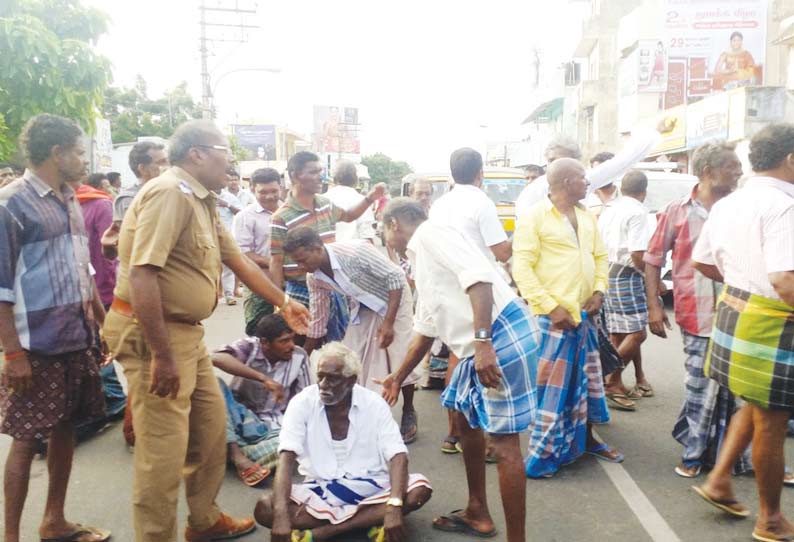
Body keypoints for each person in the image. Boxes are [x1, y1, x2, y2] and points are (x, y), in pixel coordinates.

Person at [102, 119, 309, 542]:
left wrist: (284, 302)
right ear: (197, 153)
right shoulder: (169, 194)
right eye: (224, 154)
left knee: (213, 429)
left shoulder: (202, 199)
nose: (231, 166)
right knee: (162, 451)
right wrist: (161, 355)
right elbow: (142, 275)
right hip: (155, 334)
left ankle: (203, 520)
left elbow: (240, 262)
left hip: (187, 335)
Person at [379, 198, 539, 542]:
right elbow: (425, 329)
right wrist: (397, 376)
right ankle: (477, 510)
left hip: (497, 334)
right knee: (464, 418)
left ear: (394, 224)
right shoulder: (420, 257)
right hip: (479, 344)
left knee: (504, 442)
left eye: (383, 229)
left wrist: (483, 344)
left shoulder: (431, 233)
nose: (384, 237)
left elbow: (479, 280)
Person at [0, 114, 111, 542]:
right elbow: (1, 288)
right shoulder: (11, 204)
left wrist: (104, 326)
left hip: (76, 338)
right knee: (26, 440)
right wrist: (13, 354)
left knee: (66, 426)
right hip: (35, 346)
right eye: (79, 151)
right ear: (56, 153)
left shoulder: (69, 199)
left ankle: (54, 521)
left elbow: (81, 273)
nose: (84, 160)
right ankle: (11, 536)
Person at [691, 124, 794, 542]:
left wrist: (741, 283)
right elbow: (785, 279)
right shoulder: (784, 206)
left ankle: (719, 480)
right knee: (771, 420)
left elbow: (701, 262)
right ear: (791, 160)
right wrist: (759, 288)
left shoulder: (730, 203)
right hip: (773, 319)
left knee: (754, 405)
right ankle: (770, 520)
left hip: (737, 312)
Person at [255, 342, 432, 542]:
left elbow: (397, 455)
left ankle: (325, 532)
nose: (323, 385)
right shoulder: (302, 403)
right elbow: (286, 459)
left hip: (371, 487)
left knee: (418, 490)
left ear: (351, 381)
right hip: (321, 489)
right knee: (265, 508)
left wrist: (394, 504)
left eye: (332, 379)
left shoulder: (373, 404)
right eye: (320, 377)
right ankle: (368, 522)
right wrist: (280, 516)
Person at [513, 157, 622, 478]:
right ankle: (544, 456)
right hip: (554, 319)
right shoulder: (535, 218)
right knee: (553, 391)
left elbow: (600, 257)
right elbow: (522, 268)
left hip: (585, 314)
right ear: (564, 183)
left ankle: (586, 442)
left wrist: (599, 291)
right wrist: (549, 306)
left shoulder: (586, 216)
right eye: (581, 178)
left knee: (587, 385)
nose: (587, 183)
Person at [643, 141, 745, 478]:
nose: (739, 171)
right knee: (700, 385)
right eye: (732, 166)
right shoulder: (677, 210)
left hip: (741, 312)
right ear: (708, 172)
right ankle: (694, 452)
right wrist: (654, 306)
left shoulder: (740, 207)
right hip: (696, 312)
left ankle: (742, 458)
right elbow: (653, 259)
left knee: (739, 389)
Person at [284, 227, 420, 443]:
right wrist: (302, 357)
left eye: (302, 260)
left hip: (396, 298)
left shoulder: (355, 251)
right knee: (352, 357)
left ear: (317, 248)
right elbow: (318, 321)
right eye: (296, 262)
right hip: (364, 304)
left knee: (399, 354)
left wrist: (389, 322)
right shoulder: (314, 278)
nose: (300, 267)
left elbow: (395, 277)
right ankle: (362, 416)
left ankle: (409, 411)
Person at [428, 147, 514, 457]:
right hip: (480, 291)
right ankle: (488, 435)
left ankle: (454, 433)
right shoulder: (481, 201)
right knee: (486, 357)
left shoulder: (441, 204)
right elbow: (501, 251)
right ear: (481, 174)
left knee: (457, 355)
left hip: (447, 287)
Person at [269, 151, 385, 341]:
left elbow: (348, 216)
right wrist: (279, 301)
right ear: (295, 176)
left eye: (320, 171)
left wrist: (370, 198)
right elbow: (276, 261)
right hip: (300, 291)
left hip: (331, 286)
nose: (320, 177)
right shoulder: (280, 217)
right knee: (299, 344)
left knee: (339, 346)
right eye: (314, 172)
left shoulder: (325, 204)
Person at [212, 313, 311, 486]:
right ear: (265, 342)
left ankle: (228, 450)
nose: (291, 346)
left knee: (292, 445)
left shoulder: (299, 357)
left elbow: (307, 400)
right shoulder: (250, 347)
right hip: (237, 416)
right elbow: (215, 358)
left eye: (291, 339)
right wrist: (263, 378)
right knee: (214, 385)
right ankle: (237, 456)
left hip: (268, 427)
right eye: (284, 341)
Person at [514, 125, 665, 218]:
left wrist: (655, 133)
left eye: (564, 162)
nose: (558, 167)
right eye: (552, 161)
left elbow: (620, 163)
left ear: (577, 164)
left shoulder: (581, 186)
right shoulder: (534, 192)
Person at [598, 170, 653, 410]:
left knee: (618, 333)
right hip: (626, 273)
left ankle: (613, 382)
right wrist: (649, 277)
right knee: (638, 333)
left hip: (607, 270)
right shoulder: (638, 211)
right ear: (644, 192)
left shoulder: (611, 208)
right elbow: (637, 253)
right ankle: (609, 381)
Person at [233, 167, 282, 336]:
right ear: (253, 189)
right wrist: (275, 263)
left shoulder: (289, 212)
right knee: (258, 333)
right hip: (259, 284)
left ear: (281, 187)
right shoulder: (245, 217)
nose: (269, 196)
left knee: (288, 334)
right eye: (263, 192)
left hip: (290, 284)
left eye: (274, 191)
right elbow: (243, 253)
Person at [102, 140, 169, 260]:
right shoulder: (129, 199)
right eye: (161, 163)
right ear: (143, 169)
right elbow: (141, 243)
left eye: (168, 162)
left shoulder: (170, 192)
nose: (168, 167)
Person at [76, 173, 117, 308]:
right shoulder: (103, 204)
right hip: (104, 288)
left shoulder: (68, 202)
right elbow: (111, 250)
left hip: (79, 288)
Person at [325, 160, 376, 242]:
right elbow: (367, 236)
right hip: (353, 252)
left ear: (334, 179)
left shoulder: (322, 200)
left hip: (325, 252)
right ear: (356, 180)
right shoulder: (362, 202)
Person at [215, 170, 244, 305]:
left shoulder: (229, 197)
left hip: (228, 236)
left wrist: (226, 204)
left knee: (228, 266)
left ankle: (229, 295)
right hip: (209, 236)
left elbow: (241, 213)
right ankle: (214, 295)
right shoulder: (205, 196)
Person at [585, 151, 618, 218]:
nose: (600, 176)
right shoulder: (584, 197)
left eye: (603, 172)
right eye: (596, 171)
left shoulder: (625, 196)